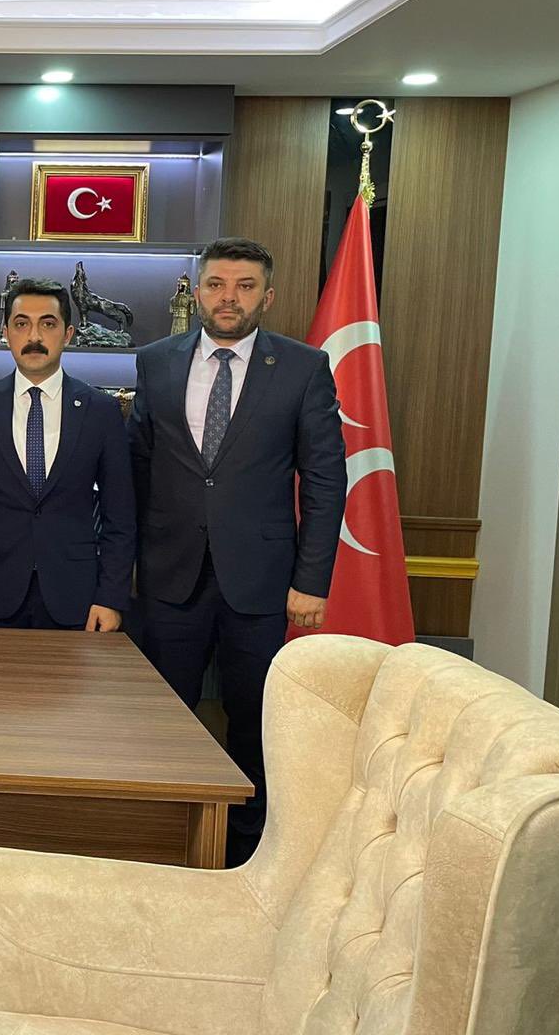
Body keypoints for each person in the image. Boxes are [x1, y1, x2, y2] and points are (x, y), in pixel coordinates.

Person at [128, 236, 345, 865]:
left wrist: (312, 580)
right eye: (217, 285)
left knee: (254, 725)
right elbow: (139, 467)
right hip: (170, 577)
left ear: (267, 297)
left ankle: (246, 856)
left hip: (262, 581)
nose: (229, 298)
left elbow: (326, 480)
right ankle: (164, 842)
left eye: (245, 286)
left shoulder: (303, 368)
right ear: (198, 292)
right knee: (164, 718)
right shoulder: (156, 362)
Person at [0, 277, 135, 630]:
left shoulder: (101, 411)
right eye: (21, 324)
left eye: (48, 324)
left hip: (75, 598)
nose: (34, 337)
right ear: (6, 333)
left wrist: (110, 597)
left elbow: (119, 516)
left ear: (68, 333)